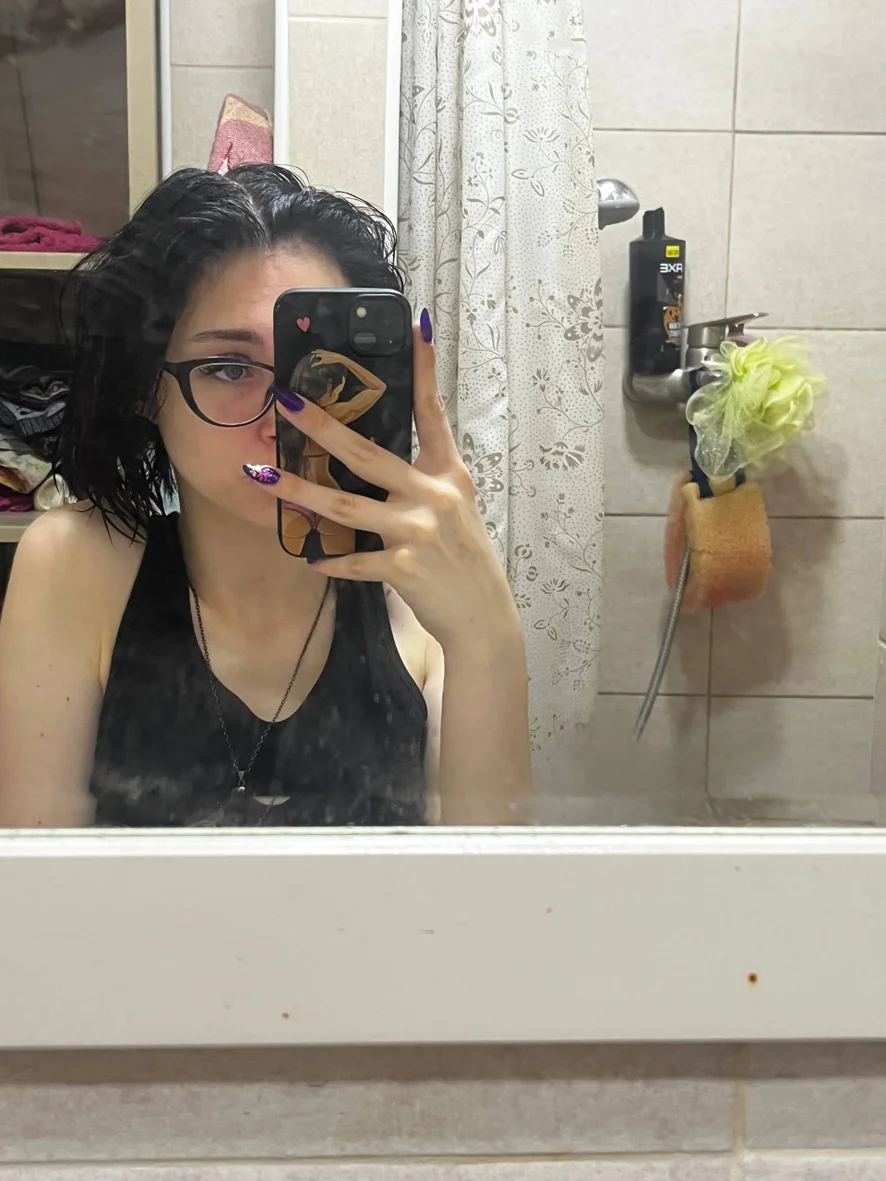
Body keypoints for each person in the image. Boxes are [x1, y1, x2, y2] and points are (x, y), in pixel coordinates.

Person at [0, 165, 532, 828]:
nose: (285, 417)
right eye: (229, 368)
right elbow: (39, 878)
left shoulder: (422, 593)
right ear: (145, 388)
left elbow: (488, 884)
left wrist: (489, 636)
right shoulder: (76, 567)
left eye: (321, 368)